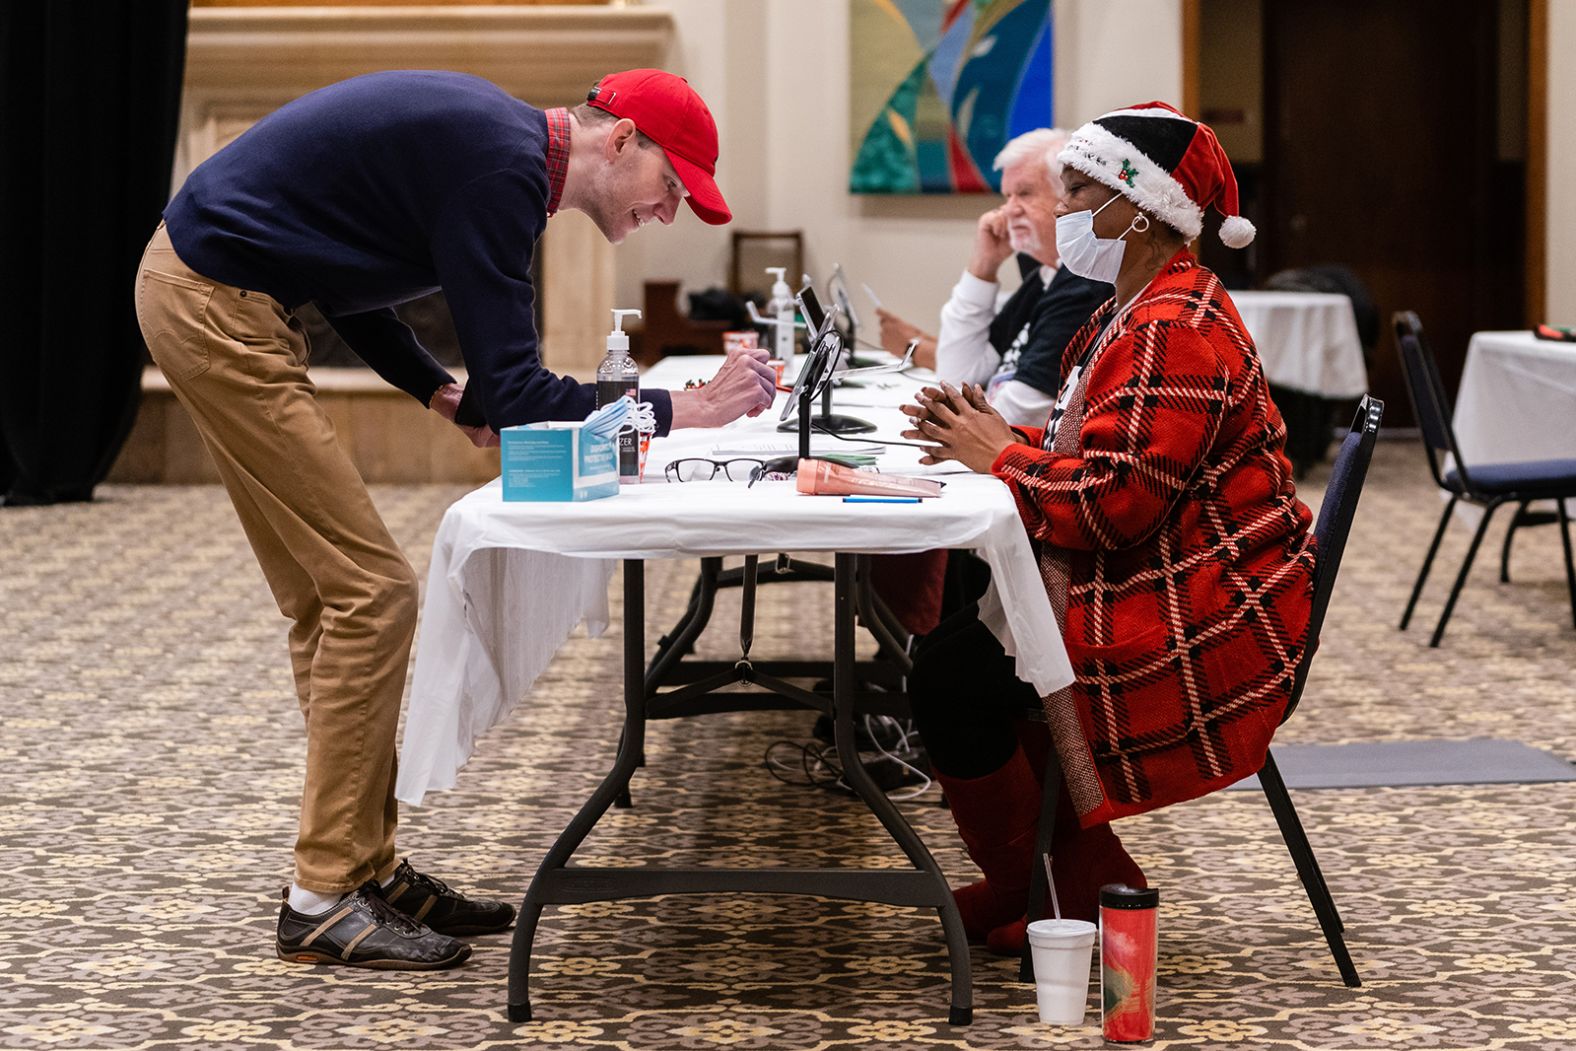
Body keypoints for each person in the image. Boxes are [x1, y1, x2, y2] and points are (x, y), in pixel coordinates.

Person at [133, 68, 775, 971]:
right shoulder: (503, 172)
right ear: (621, 142)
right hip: (215, 305)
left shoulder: (499, 154)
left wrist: (434, 387)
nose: (668, 212)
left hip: (221, 294)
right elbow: (515, 394)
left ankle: (362, 867)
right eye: (671, 188)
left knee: (333, 601)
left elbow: (346, 267)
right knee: (372, 595)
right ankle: (322, 895)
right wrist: (682, 411)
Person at [899, 101, 1316, 956]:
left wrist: (999, 458)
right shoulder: (1132, 308)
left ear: (1143, 206)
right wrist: (999, 442)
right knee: (962, 641)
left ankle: (1052, 883)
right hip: (1164, 563)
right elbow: (1096, 464)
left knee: (954, 675)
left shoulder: (1176, 328)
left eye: (1083, 190)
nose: (1068, 209)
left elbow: (1115, 503)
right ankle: (1060, 879)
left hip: (1201, 602)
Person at [873, 128, 1110, 427]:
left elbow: (1018, 416)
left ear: (1069, 198)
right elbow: (956, 375)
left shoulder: (1083, 284)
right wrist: (983, 266)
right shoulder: (1045, 276)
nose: (1008, 211)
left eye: (1024, 194)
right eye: (1006, 196)